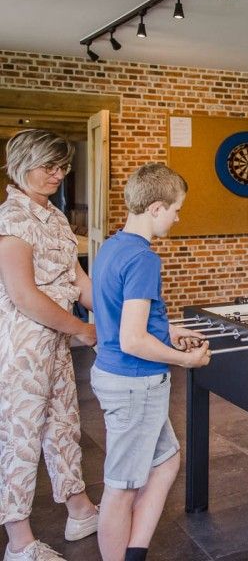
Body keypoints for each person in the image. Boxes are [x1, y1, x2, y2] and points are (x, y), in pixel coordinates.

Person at [91, 163, 210, 561]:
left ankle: (133, 553)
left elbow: (127, 317)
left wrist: (169, 331)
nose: (177, 217)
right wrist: (184, 360)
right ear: (156, 207)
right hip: (135, 383)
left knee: (166, 462)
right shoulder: (143, 259)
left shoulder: (113, 246)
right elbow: (133, 338)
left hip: (119, 377)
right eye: (176, 209)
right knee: (122, 486)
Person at [0, 130, 100, 561]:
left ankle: (78, 510)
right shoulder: (12, 220)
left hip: (56, 338)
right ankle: (19, 542)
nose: (58, 174)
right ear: (22, 165)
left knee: (62, 425)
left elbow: (79, 284)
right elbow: (24, 295)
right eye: (49, 166)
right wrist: (81, 330)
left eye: (62, 166)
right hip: (24, 344)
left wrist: (120, 320)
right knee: (21, 438)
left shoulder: (55, 218)